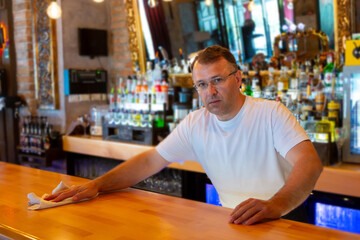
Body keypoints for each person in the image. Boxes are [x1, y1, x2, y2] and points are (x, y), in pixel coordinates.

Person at [46, 45, 323, 225]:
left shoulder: (270, 113)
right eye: (201, 85)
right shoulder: (196, 123)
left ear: (238, 79)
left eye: (217, 80)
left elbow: (310, 163)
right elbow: (150, 161)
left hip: (286, 218)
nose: (210, 92)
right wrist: (98, 185)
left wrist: (275, 205)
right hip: (232, 220)